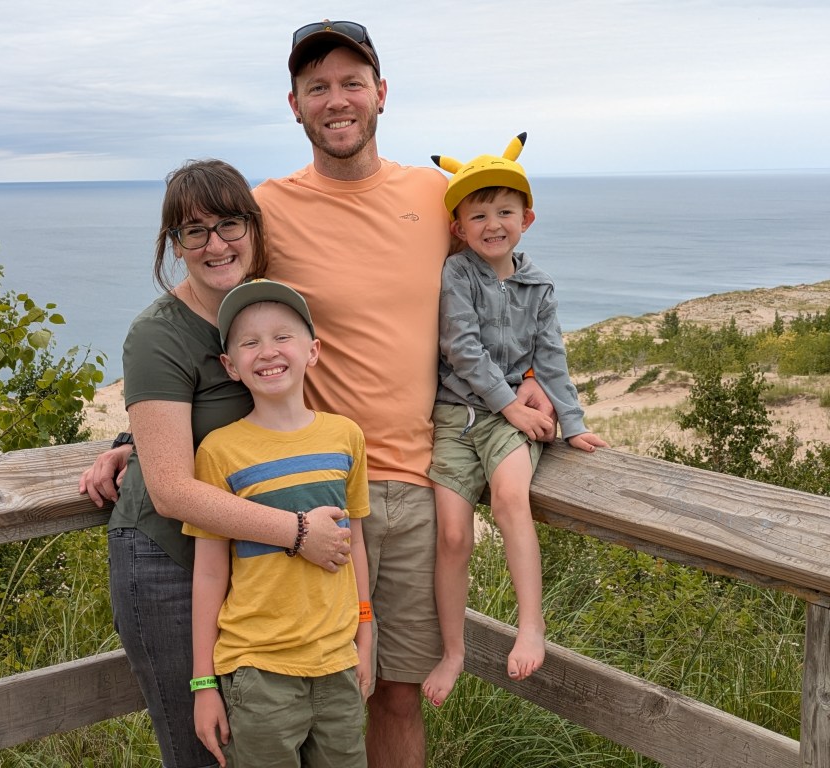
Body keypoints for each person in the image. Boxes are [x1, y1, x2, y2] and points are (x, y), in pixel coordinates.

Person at [81, 21, 555, 767]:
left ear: (381, 94)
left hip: (413, 486)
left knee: (394, 692)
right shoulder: (268, 212)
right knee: (293, 706)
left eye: (351, 82)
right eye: (317, 88)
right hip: (301, 494)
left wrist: (529, 382)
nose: (336, 101)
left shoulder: (435, 197)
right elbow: (205, 311)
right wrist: (137, 438)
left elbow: (496, 293)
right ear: (295, 105)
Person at [79, 159, 353, 768]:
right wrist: (299, 533)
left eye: (229, 223)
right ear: (173, 246)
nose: (215, 243)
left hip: (251, 566)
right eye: (192, 231)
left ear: (254, 229)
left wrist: (132, 439)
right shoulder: (158, 334)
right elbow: (174, 491)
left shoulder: (265, 314)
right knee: (207, 752)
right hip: (168, 562)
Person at [420, 134, 609, 707]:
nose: (492, 223)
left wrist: (572, 424)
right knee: (451, 536)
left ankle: (532, 625)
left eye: (504, 211)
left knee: (509, 501)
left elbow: (551, 357)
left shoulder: (538, 285)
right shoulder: (458, 274)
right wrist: (511, 404)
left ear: (526, 218)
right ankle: (452, 650)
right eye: (477, 214)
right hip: (459, 413)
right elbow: (463, 349)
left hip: (510, 420)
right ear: (458, 225)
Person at [186, 279, 371, 767]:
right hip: (257, 669)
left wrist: (365, 634)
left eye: (282, 337)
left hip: (337, 662)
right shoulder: (219, 451)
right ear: (230, 365)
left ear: (313, 351)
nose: (267, 352)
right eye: (249, 342)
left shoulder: (345, 437)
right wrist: (204, 683)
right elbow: (209, 572)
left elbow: (357, 545)